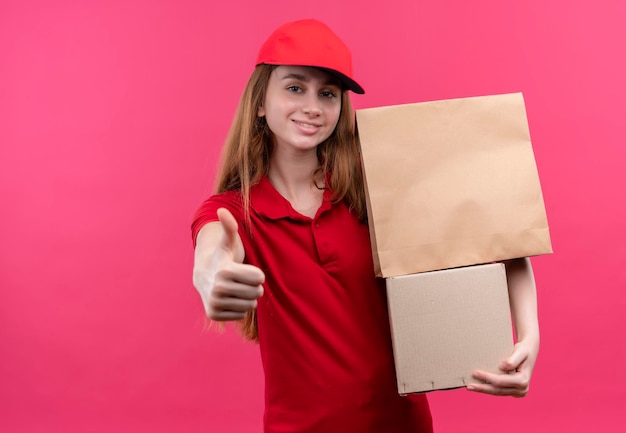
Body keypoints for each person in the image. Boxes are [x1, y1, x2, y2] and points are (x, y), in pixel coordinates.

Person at [191, 19, 540, 433]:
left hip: (402, 424)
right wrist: (214, 277)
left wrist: (529, 337)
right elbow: (213, 249)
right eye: (294, 87)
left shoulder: (376, 185)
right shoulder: (236, 211)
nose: (313, 107)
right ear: (261, 101)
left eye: (328, 94)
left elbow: (495, 235)